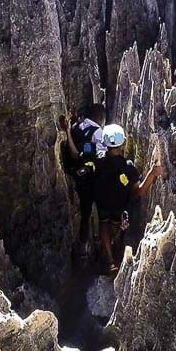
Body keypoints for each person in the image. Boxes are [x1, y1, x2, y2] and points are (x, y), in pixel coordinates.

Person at [93, 124, 164, 276]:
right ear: (123, 142)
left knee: (104, 223)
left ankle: (110, 259)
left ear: (105, 143)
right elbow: (139, 191)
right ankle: (118, 258)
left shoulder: (99, 161)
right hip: (120, 205)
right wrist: (152, 173)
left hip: (102, 201)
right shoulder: (128, 167)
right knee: (118, 228)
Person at [59, 104, 107, 246]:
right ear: (101, 118)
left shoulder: (78, 125)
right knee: (96, 210)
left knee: (85, 213)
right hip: (89, 178)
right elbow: (101, 154)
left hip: (74, 172)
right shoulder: (97, 132)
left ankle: (84, 244)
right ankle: (91, 242)